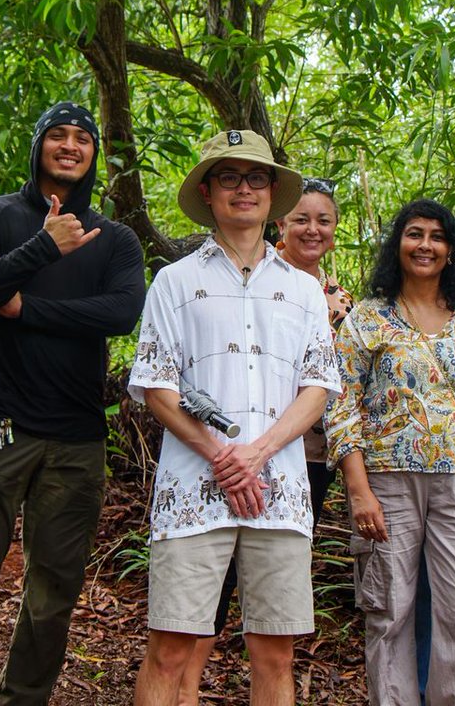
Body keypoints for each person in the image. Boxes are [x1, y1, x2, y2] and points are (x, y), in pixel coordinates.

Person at [0, 102, 145, 705]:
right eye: (58, 136)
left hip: (76, 439)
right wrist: (40, 249)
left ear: (95, 153)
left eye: (83, 139)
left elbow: (120, 314)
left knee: (52, 596)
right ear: (38, 145)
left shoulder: (114, 239)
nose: (70, 146)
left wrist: (20, 304)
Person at [129, 129, 341, 705]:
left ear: (273, 194)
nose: (243, 189)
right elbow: (156, 386)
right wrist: (223, 456)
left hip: (280, 488)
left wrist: (256, 452)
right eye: (229, 177)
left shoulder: (303, 291)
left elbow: (318, 386)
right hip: (193, 489)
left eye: (255, 178)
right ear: (208, 190)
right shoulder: (174, 282)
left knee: (275, 653)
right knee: (170, 647)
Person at [176, 175, 353, 704]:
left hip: (302, 461)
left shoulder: (336, 300)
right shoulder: (222, 276)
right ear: (281, 222)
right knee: (212, 589)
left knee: (274, 613)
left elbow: (335, 387)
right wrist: (232, 455)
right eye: (301, 219)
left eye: (323, 221)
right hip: (220, 457)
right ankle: (185, 685)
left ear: (335, 231)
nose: (312, 229)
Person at [326, 198, 455, 706]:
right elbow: (342, 407)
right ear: (397, 244)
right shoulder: (367, 319)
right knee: (389, 608)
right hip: (387, 483)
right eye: (414, 234)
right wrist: (358, 493)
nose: (425, 245)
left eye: (437, 236)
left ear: (451, 250)